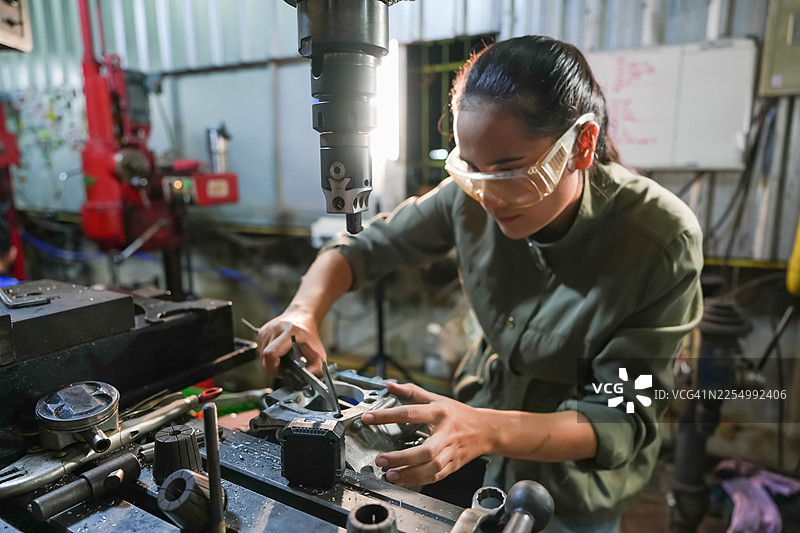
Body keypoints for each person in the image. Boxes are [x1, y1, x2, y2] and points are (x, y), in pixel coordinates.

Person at [258, 35, 703, 533]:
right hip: (476, 442)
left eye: (511, 170)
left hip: (572, 488)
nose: (489, 197)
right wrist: (302, 312)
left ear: (581, 145)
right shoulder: (471, 195)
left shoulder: (660, 239)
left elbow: (619, 412)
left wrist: (488, 428)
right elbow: (361, 248)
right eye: (471, 169)